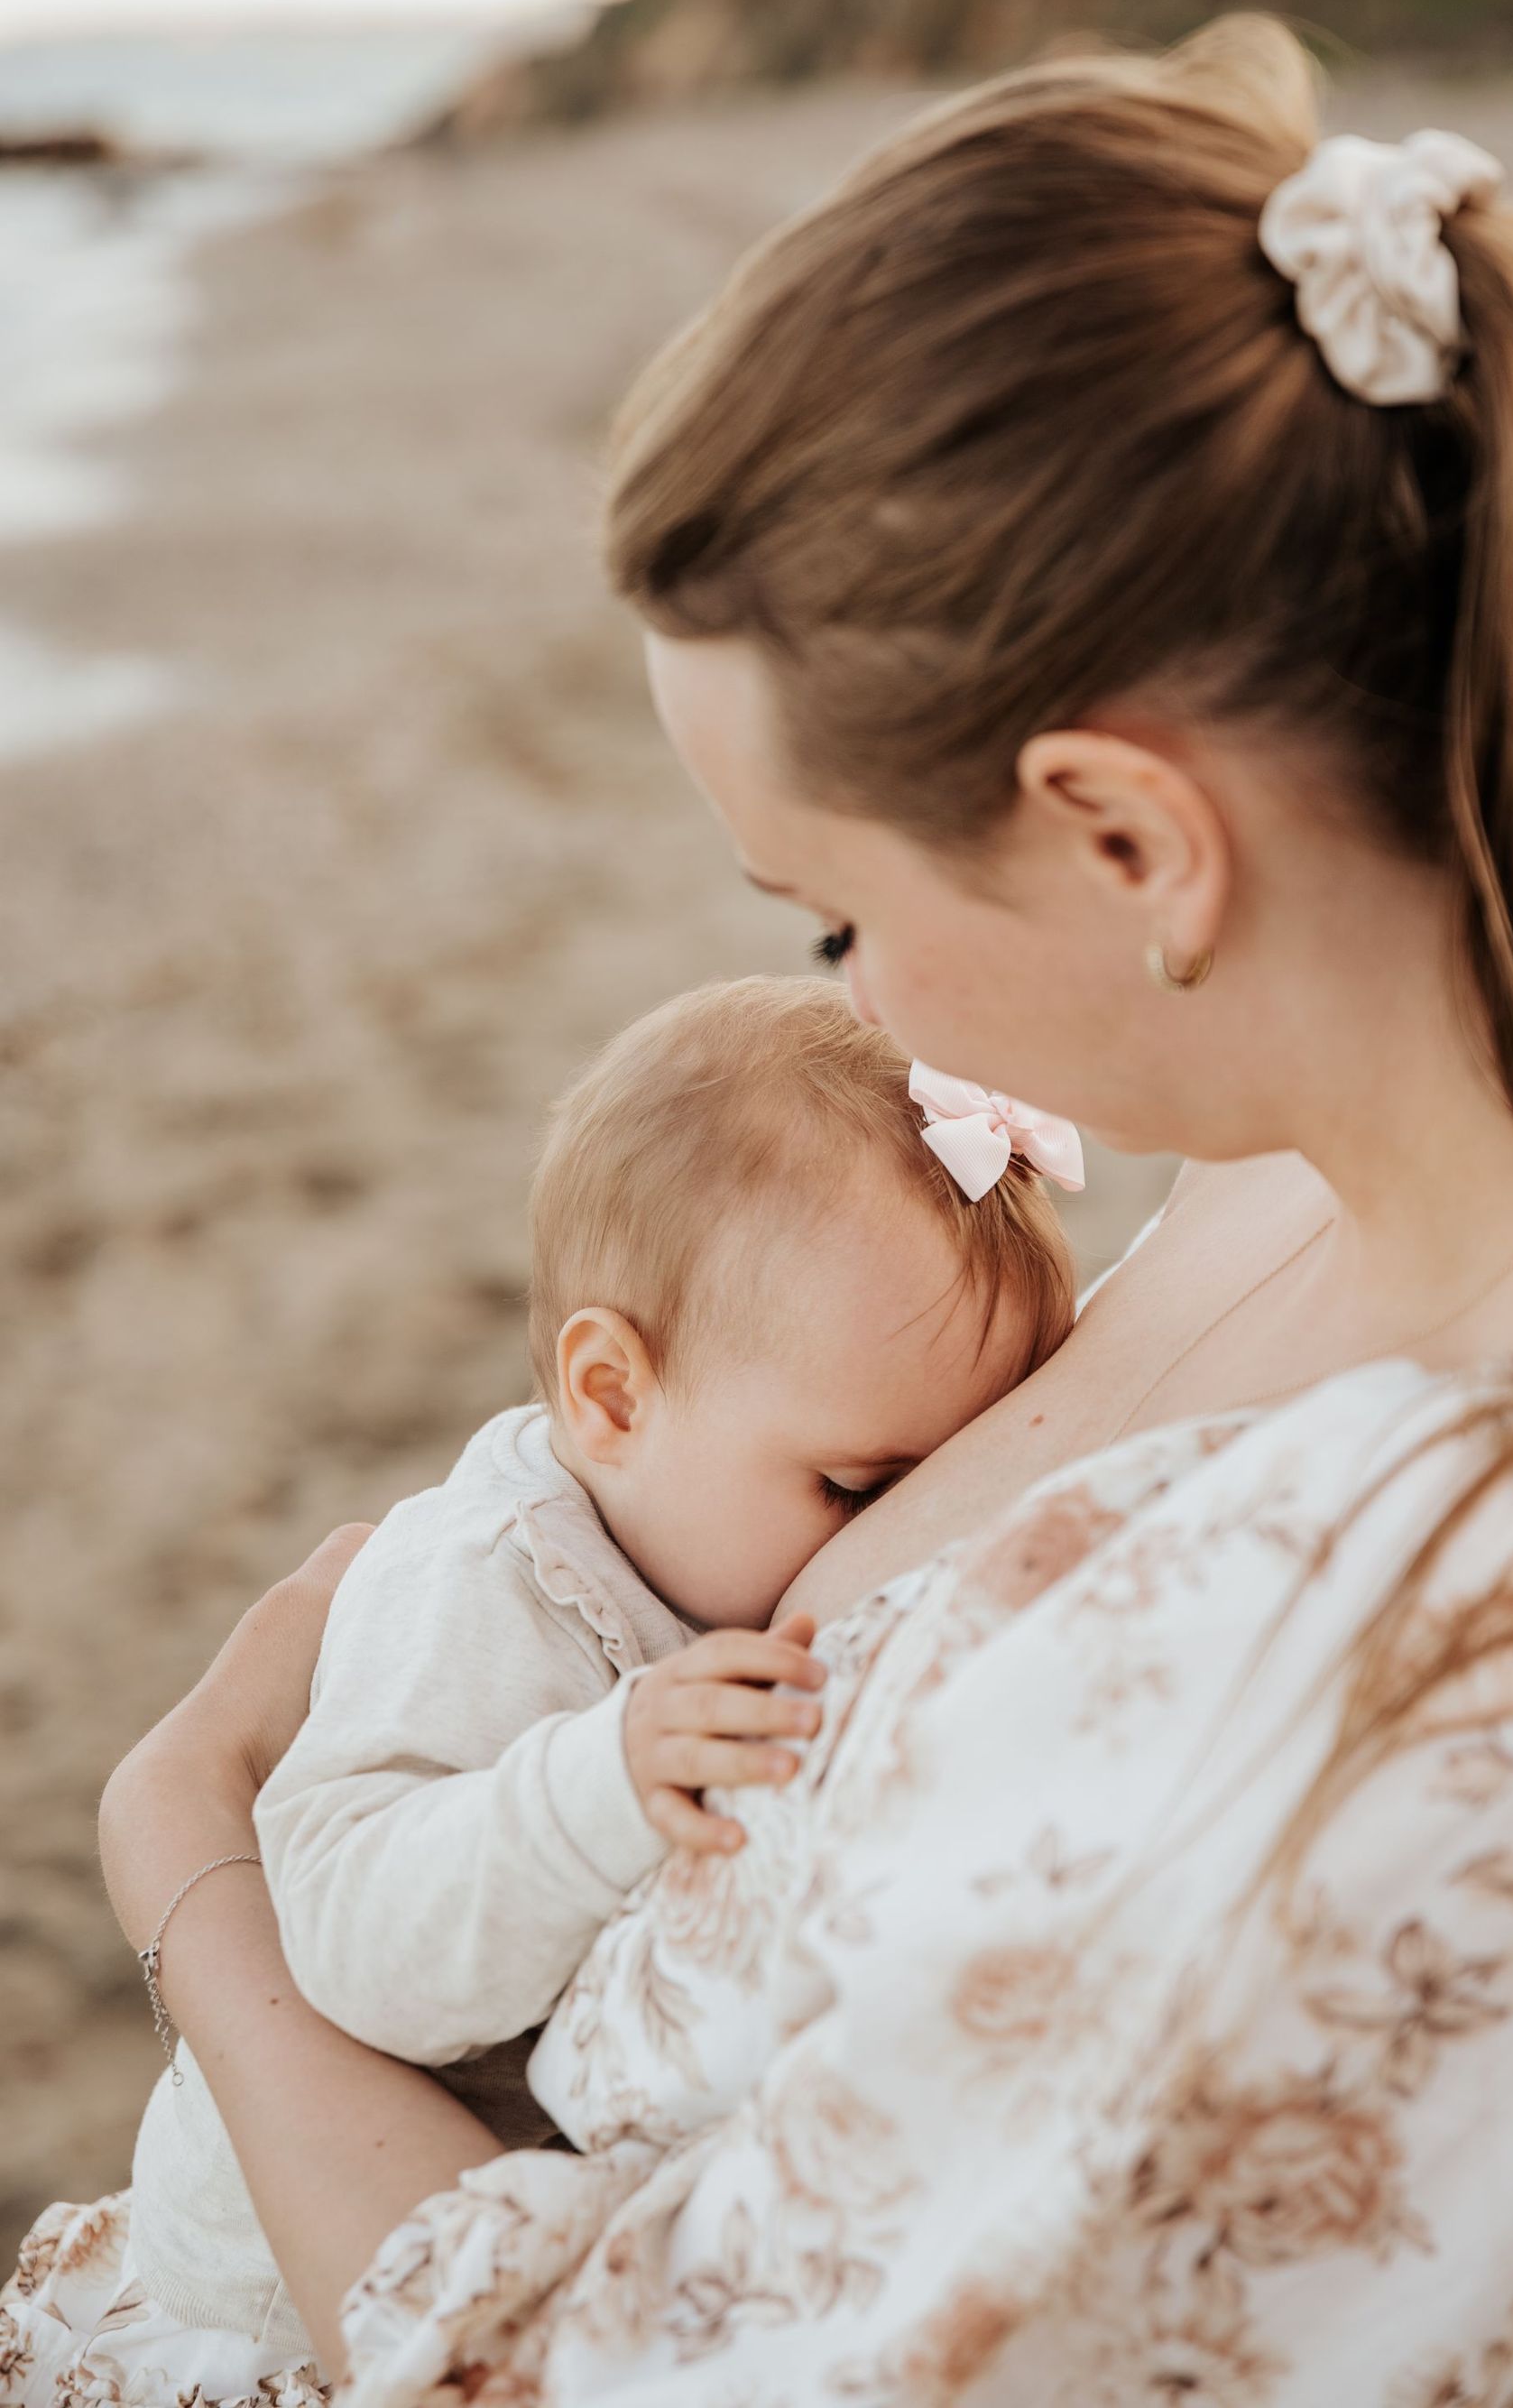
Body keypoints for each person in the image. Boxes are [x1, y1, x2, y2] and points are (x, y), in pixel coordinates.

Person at [11, 9, 1513, 2403]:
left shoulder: (1404, 1665)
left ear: (1132, 837)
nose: (851, 996)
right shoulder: (1292, 1190)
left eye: (828, 913)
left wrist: (185, 1867)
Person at [1, 980, 1075, 2403]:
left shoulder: (700, 1524)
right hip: (282, 2305)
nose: (880, 1537)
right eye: (857, 1490)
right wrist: (596, 1782)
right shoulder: (497, 1582)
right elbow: (344, 1930)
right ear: (614, 1398)